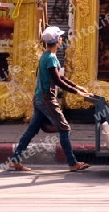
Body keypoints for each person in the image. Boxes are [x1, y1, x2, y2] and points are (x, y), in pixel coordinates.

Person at [7, 26, 93, 171]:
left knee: (31, 131)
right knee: (65, 129)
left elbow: (61, 77)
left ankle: (15, 160)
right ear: (57, 41)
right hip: (47, 100)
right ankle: (73, 164)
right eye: (60, 37)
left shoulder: (45, 56)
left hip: (40, 99)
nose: (62, 39)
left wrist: (79, 87)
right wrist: (77, 92)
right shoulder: (51, 59)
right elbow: (58, 81)